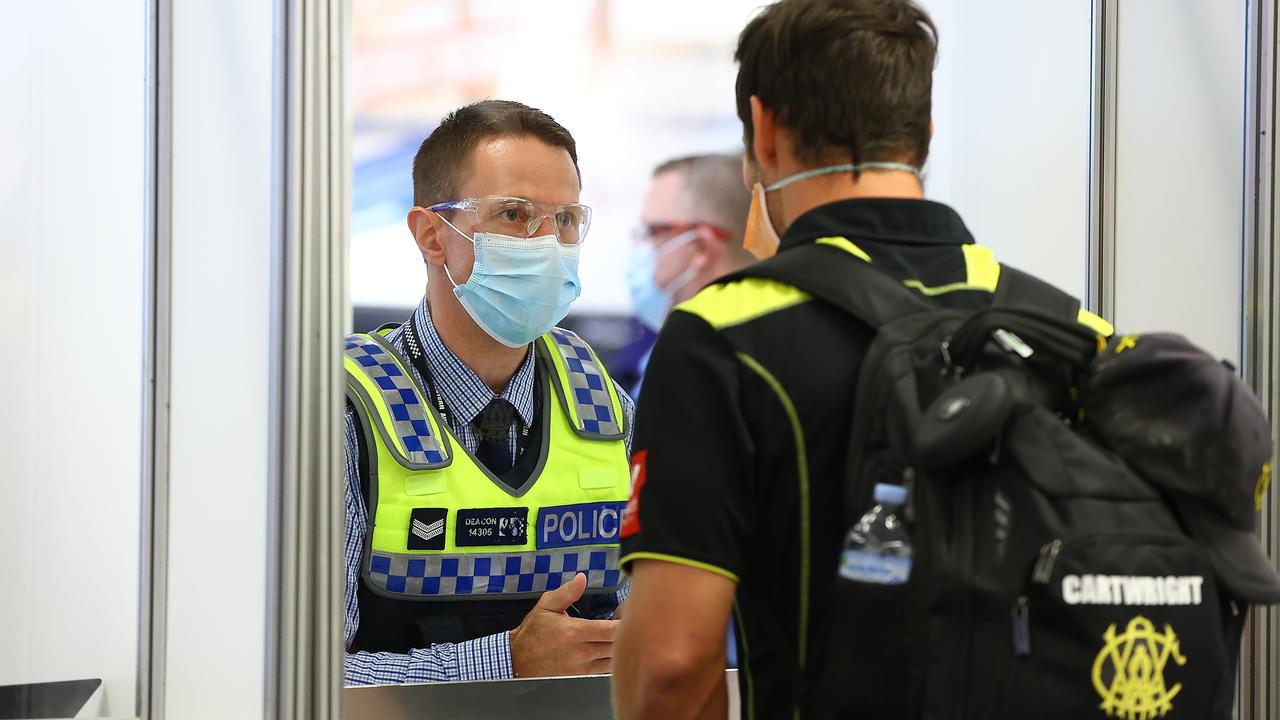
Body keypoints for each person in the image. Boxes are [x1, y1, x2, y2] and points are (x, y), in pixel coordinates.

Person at [611, 1, 1112, 718]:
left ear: (764, 129)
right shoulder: (1073, 330)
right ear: (924, 138)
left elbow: (670, 667)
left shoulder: (722, 337)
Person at [343, 100, 635, 686]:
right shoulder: (345, 412)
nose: (548, 243)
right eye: (514, 213)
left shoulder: (606, 406)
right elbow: (292, 675)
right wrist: (504, 663)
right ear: (431, 235)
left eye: (567, 220)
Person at [626, 154, 754, 398]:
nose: (642, 244)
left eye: (652, 230)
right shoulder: (674, 350)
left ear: (700, 247)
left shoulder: (697, 364)